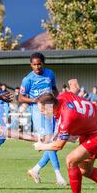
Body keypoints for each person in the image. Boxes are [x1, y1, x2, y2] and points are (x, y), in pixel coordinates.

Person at [33, 92, 97, 193]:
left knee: (71, 160)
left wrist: (41, 146)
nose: (41, 113)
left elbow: (59, 145)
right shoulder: (62, 97)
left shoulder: (66, 116)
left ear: (50, 106)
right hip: (89, 130)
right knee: (86, 171)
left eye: (42, 110)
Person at [18, 52, 67, 186]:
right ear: (31, 65)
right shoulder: (27, 79)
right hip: (38, 111)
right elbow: (20, 97)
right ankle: (58, 175)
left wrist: (60, 101)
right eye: (34, 64)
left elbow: (54, 88)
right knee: (49, 141)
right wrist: (35, 100)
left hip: (50, 109)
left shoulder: (50, 73)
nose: (37, 66)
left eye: (39, 64)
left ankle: (36, 169)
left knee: (52, 142)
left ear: (43, 63)